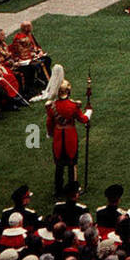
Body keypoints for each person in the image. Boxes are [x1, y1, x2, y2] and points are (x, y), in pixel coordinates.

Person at [43, 69, 91, 197]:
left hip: (58, 135)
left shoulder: (51, 106)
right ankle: (73, 187)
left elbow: (49, 123)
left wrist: (50, 133)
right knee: (72, 163)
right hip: (70, 136)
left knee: (59, 164)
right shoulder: (73, 106)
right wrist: (89, 113)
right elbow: (83, 119)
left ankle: (58, 189)